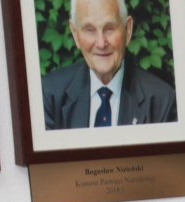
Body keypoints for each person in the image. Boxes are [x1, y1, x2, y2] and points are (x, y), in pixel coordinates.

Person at [40, 0, 177, 130]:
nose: (101, 43)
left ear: (128, 29)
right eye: (90, 30)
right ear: (75, 34)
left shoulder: (161, 102)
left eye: (109, 28)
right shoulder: (48, 95)